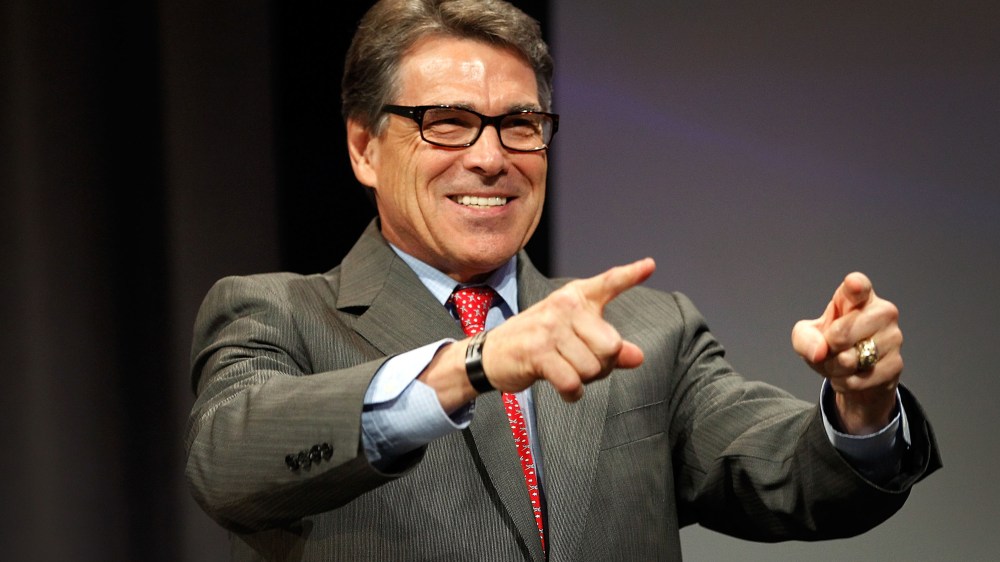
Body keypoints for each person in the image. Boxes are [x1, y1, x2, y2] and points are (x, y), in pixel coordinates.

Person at [184, 0, 941, 560]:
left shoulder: (646, 331)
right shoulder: (278, 312)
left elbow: (800, 482)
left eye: (521, 124)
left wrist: (862, 404)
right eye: (446, 121)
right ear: (364, 148)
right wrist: (472, 364)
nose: (491, 157)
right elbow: (227, 464)